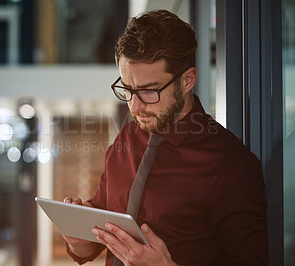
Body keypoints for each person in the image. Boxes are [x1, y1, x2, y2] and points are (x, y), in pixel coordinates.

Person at [62, 9, 269, 266]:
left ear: (188, 80)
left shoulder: (231, 164)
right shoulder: (126, 138)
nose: (135, 107)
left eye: (149, 92)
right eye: (127, 90)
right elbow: (103, 227)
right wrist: (79, 242)